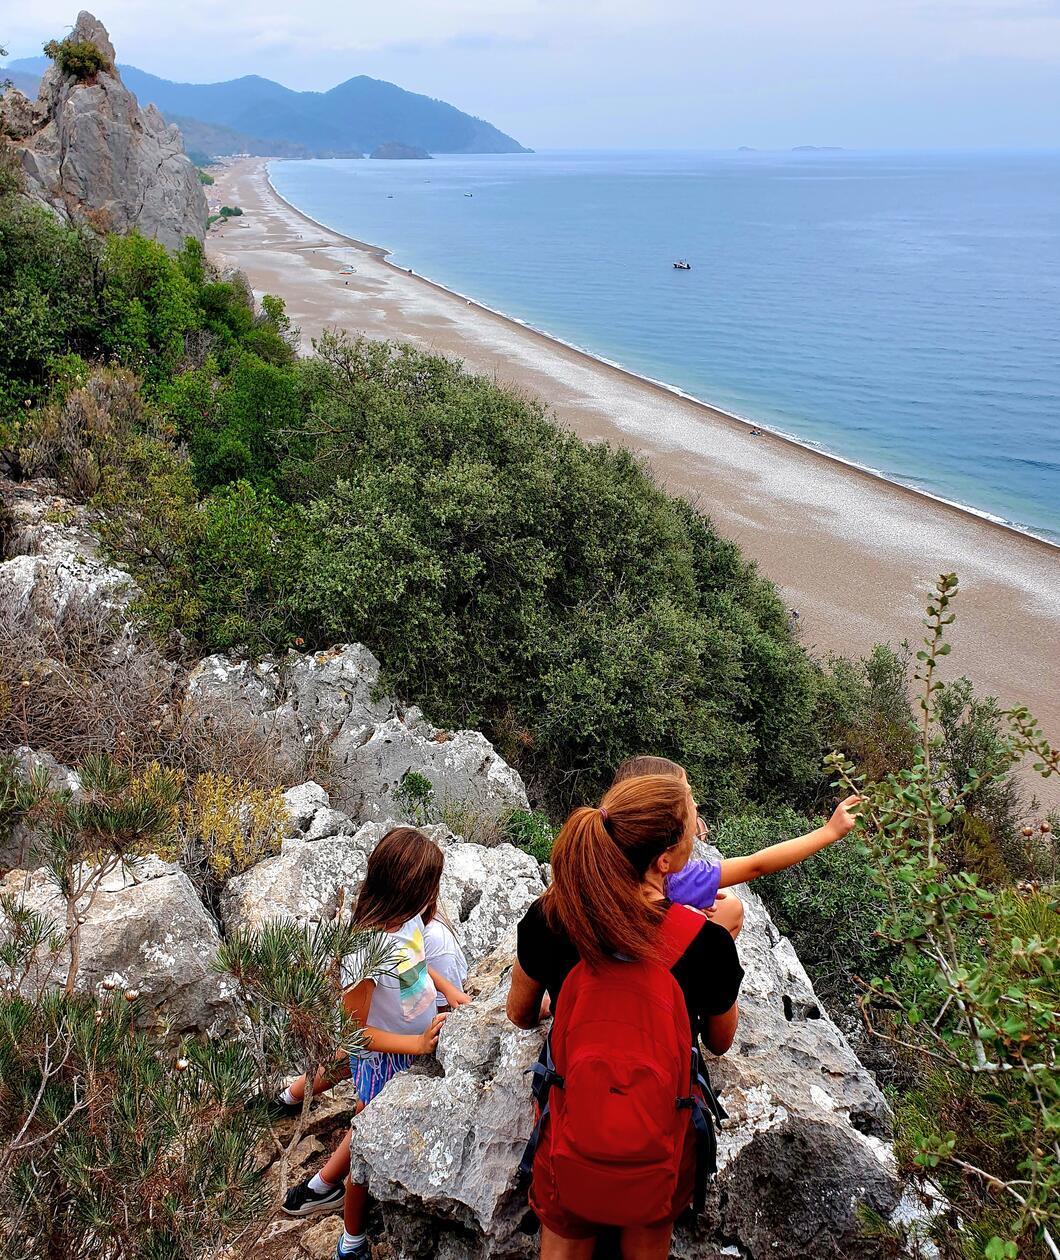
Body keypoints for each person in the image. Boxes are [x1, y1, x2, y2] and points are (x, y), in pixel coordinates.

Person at [508, 773, 743, 1260]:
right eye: (692, 819)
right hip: (658, 1139)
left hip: (571, 1123)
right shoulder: (707, 944)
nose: (698, 822)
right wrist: (719, 948)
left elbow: (519, 1014)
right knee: (648, 1227)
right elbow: (720, 1041)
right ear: (664, 860)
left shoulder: (549, 918)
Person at [279, 828, 456, 1260]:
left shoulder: (410, 920)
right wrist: (415, 1045)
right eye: (428, 887)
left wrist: (449, 990)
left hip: (413, 1040)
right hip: (386, 1061)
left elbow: (417, 962)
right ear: (409, 890)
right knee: (365, 1147)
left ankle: (323, 1186)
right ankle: (351, 1239)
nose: (432, 896)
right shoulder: (365, 949)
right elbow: (353, 1034)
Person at [612, 756, 860, 940]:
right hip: (645, 984)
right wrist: (829, 832)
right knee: (727, 911)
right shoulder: (675, 876)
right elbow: (756, 865)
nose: (696, 803)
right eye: (687, 797)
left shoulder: (598, 856)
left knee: (727, 906)